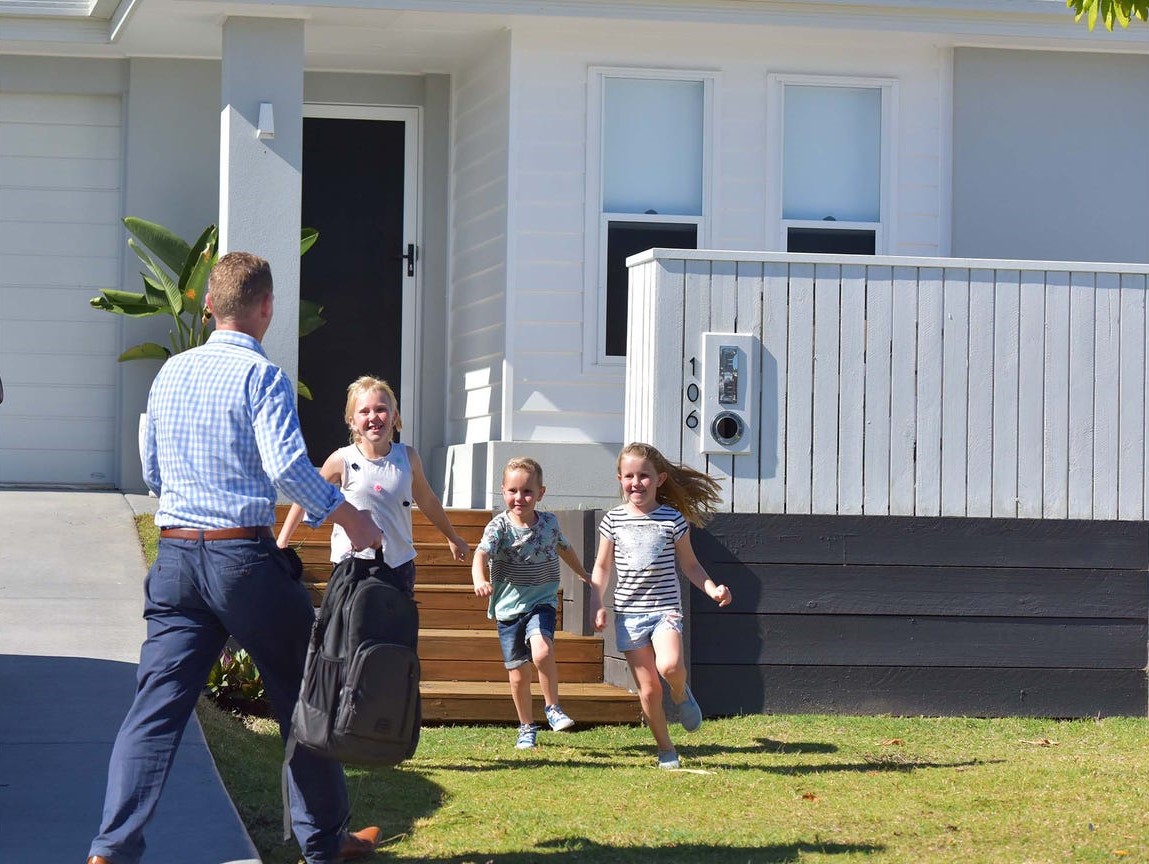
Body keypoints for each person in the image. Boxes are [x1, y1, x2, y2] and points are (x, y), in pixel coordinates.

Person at [88, 252, 384, 864]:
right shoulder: (262, 376)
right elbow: (286, 468)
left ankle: (111, 849)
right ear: (267, 307)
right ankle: (325, 844)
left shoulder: (169, 374)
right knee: (304, 692)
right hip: (241, 559)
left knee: (155, 711)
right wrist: (350, 517)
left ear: (206, 306)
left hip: (175, 558)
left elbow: (153, 472)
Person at [588, 442, 733, 770]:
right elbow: (602, 566)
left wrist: (712, 588)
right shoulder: (613, 520)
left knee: (669, 667)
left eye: (644, 476)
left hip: (665, 609)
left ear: (660, 479)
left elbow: (691, 565)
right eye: (629, 476)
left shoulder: (672, 519)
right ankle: (666, 748)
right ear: (620, 479)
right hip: (629, 615)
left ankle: (680, 693)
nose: (636, 482)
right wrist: (596, 602)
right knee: (650, 689)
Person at [276, 375, 470, 593]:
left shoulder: (408, 457)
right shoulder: (342, 460)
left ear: (394, 416)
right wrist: (282, 543)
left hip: (398, 564)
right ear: (352, 421)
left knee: (398, 616)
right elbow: (305, 495)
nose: (373, 417)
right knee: (352, 616)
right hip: (352, 566)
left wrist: (452, 537)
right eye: (364, 411)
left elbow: (427, 500)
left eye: (380, 409)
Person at [471, 457, 591, 749]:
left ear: (541, 493)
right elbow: (481, 555)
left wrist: (582, 572)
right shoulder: (499, 527)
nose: (519, 498)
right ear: (503, 491)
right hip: (509, 609)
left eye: (527, 491)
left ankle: (553, 707)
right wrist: (479, 579)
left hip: (542, 601)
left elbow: (565, 548)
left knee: (542, 651)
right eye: (512, 491)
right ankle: (526, 727)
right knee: (518, 675)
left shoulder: (549, 523)